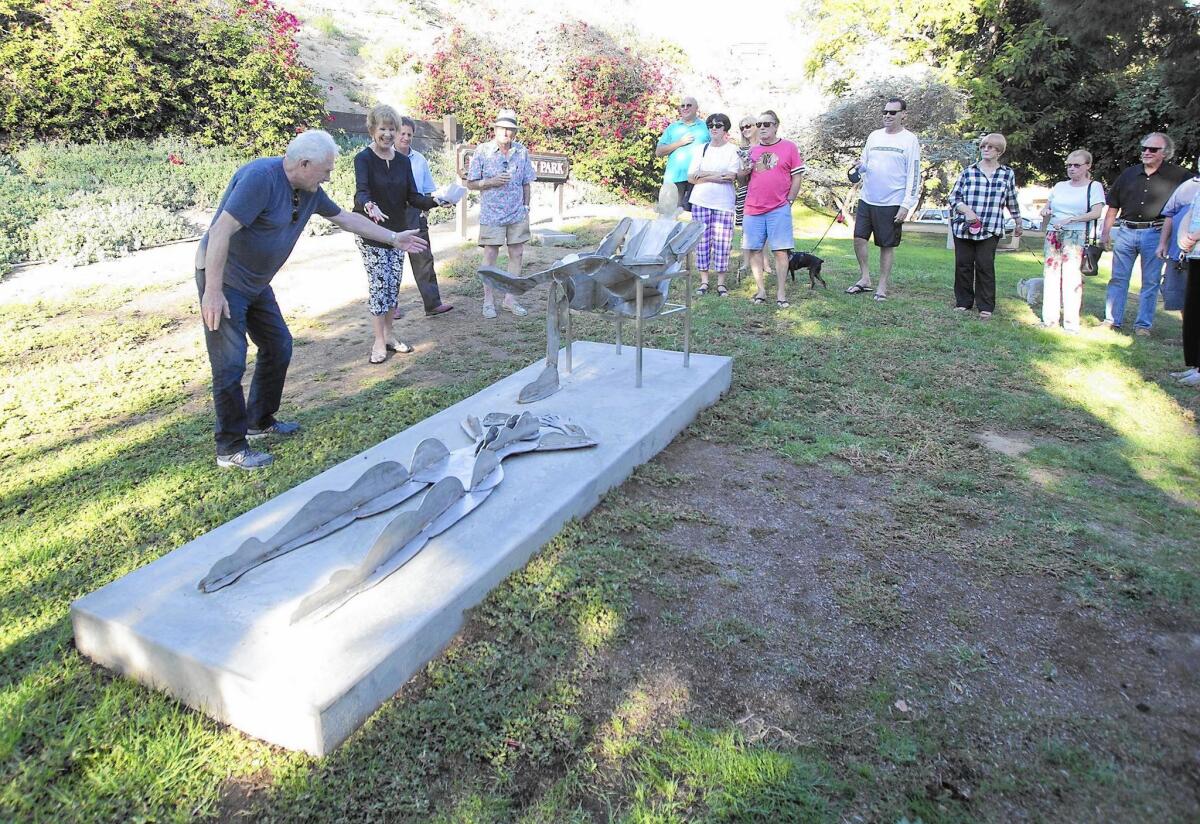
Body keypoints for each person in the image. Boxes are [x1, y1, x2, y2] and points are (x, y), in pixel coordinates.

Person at [197, 129, 426, 470]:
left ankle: (259, 420)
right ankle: (230, 448)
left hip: (257, 283)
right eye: (326, 170)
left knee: (279, 346)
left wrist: (394, 238)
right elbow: (219, 232)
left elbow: (347, 219)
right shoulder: (260, 178)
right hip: (224, 281)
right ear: (303, 164)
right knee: (229, 364)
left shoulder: (309, 191)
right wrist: (212, 292)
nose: (329, 176)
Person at [353, 105, 443, 364]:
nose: (388, 134)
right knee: (379, 285)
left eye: (392, 129)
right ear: (372, 130)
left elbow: (413, 197)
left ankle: (390, 335)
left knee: (392, 285)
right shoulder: (364, 159)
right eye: (383, 129)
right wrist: (369, 205)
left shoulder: (403, 162)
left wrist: (439, 201)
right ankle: (378, 342)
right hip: (371, 232)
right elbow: (362, 192)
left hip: (398, 232)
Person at [1099, 132, 1192, 335]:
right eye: (1144, 149)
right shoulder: (1129, 174)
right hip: (1126, 231)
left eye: (1153, 149)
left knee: (1150, 282)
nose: (1147, 152)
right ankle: (1112, 320)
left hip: (1156, 233)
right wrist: (1105, 232)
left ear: (1165, 153)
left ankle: (1143, 325)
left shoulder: (1180, 176)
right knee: (1118, 278)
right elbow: (1113, 205)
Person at [846, 97, 921, 301]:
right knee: (859, 239)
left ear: (903, 114)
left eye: (893, 112)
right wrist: (859, 167)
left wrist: (906, 205)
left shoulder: (909, 140)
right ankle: (865, 278)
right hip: (868, 198)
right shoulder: (874, 136)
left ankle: (882, 286)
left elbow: (914, 174)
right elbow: (866, 165)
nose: (887, 115)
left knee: (886, 245)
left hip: (892, 201)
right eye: (885, 112)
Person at [465, 109, 536, 318]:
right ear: (495, 129)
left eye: (511, 129)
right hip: (492, 214)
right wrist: (491, 182)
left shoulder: (521, 151)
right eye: (503, 128)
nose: (507, 132)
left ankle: (510, 299)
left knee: (517, 254)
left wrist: (526, 206)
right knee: (490, 255)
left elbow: (526, 182)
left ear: (514, 132)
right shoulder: (483, 151)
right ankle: (488, 301)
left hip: (517, 213)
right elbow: (471, 183)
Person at [948, 133, 1022, 319]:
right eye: (983, 147)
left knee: (985, 265)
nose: (986, 150)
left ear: (999, 151)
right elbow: (953, 198)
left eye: (991, 147)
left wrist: (1018, 221)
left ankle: (986, 306)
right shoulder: (968, 172)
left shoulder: (1007, 174)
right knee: (963, 265)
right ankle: (963, 302)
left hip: (991, 228)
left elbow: (1011, 200)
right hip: (964, 227)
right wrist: (966, 211)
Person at [737, 110, 804, 307]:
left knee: (781, 252)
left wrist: (790, 199)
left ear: (776, 125)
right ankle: (761, 291)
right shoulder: (751, 151)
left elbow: (797, 176)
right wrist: (744, 171)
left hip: (779, 208)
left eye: (767, 124)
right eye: (759, 124)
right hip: (753, 208)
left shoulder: (789, 147)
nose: (762, 128)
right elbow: (741, 181)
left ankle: (781, 293)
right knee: (755, 250)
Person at [1038, 150, 1105, 332]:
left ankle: (1070, 323)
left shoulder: (1094, 187)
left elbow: (1096, 212)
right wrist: (1045, 212)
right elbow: (1048, 206)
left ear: (1087, 166)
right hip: (1054, 233)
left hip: (1076, 235)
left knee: (1071, 277)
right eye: (1069, 165)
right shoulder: (1060, 186)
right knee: (1050, 275)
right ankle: (1049, 320)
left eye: (1077, 165)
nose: (1072, 169)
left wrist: (1071, 219)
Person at [395, 115, 454, 320]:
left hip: (415, 210)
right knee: (393, 261)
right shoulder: (383, 156)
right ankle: (390, 306)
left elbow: (427, 189)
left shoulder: (419, 159)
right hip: (391, 213)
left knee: (424, 260)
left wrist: (427, 209)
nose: (405, 137)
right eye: (402, 133)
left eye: (409, 134)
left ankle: (433, 304)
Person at [686, 113, 742, 296]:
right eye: (711, 125)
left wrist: (704, 174)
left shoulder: (733, 150)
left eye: (718, 125)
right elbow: (691, 177)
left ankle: (720, 283)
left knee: (722, 243)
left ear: (725, 128)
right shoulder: (701, 149)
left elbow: (730, 177)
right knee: (702, 242)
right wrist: (716, 175)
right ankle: (704, 281)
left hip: (724, 203)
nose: (714, 128)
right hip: (700, 201)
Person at [655, 96, 710, 212]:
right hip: (674, 178)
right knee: (668, 215)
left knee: (696, 217)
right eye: (683, 106)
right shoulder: (672, 128)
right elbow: (658, 152)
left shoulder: (706, 127)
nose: (685, 108)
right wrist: (680, 142)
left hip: (697, 178)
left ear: (696, 108)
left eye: (689, 105)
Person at [1172, 187, 1200, 386]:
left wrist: (1194, 236)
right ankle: (1196, 366)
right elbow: (1192, 211)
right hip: (1195, 254)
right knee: (1194, 313)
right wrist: (1183, 236)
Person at [734, 116, 759, 275]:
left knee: (762, 228)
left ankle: (764, 264)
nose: (745, 129)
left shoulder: (765, 146)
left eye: (748, 126)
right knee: (746, 228)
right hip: (745, 191)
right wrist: (744, 173)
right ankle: (745, 263)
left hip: (763, 192)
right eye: (742, 128)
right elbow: (740, 179)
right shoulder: (741, 150)